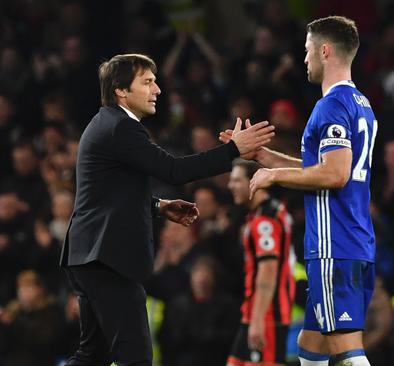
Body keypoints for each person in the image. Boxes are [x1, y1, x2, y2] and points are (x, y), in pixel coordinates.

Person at [59, 53, 275, 365]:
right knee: (135, 357)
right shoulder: (121, 128)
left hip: (90, 255)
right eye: (147, 82)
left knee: (93, 355)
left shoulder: (105, 123)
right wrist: (233, 150)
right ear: (121, 90)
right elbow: (173, 171)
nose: (157, 89)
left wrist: (158, 206)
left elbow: (107, 195)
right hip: (107, 259)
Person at [223, 16, 377, 366]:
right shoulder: (360, 104)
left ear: (325, 51)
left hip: (334, 245)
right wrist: (262, 157)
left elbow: (335, 174)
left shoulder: (332, 106)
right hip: (353, 240)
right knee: (311, 347)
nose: (304, 59)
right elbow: (322, 167)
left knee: (347, 352)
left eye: (308, 51)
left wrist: (274, 176)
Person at [226, 159, 295, 366]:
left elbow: (268, 272)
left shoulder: (265, 220)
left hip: (267, 316)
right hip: (255, 313)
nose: (231, 186)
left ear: (254, 181)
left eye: (237, 180)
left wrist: (257, 321)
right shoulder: (265, 213)